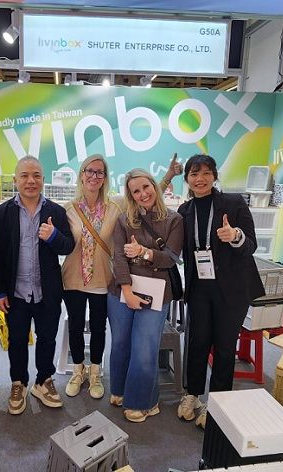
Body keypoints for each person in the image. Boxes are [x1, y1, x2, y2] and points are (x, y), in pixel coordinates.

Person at [164, 154, 265, 429]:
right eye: (194, 174)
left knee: (224, 346)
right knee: (197, 342)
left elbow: (251, 244)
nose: (200, 179)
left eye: (206, 173)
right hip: (199, 287)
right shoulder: (184, 210)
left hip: (232, 288)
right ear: (187, 179)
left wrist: (235, 236)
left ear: (215, 176)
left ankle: (218, 401)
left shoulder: (233, 203)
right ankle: (193, 394)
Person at [0, 156, 74, 415]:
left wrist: (54, 236)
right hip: (15, 293)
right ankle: (19, 383)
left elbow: (68, 246)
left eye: (36, 175)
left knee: (47, 338)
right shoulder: (2, 214)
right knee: (17, 340)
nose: (30, 181)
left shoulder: (56, 212)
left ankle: (43, 381)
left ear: (43, 180)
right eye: (24, 176)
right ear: (16, 180)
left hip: (47, 291)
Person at [107, 168, 184, 423]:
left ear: (154, 185)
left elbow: (171, 258)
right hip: (121, 290)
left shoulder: (174, 220)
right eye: (136, 191)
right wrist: (127, 290)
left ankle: (143, 402)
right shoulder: (124, 220)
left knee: (144, 347)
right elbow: (118, 257)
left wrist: (144, 252)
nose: (142, 194)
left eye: (145, 187)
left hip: (156, 291)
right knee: (120, 343)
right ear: (130, 195)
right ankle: (120, 389)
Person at [61, 154, 124, 399]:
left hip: (102, 278)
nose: (94, 176)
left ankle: (95, 372)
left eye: (100, 172)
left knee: (99, 327)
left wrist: (169, 177)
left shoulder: (115, 206)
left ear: (105, 178)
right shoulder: (68, 209)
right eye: (90, 171)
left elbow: (145, 195)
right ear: (81, 174)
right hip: (73, 278)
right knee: (75, 326)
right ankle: (78, 370)